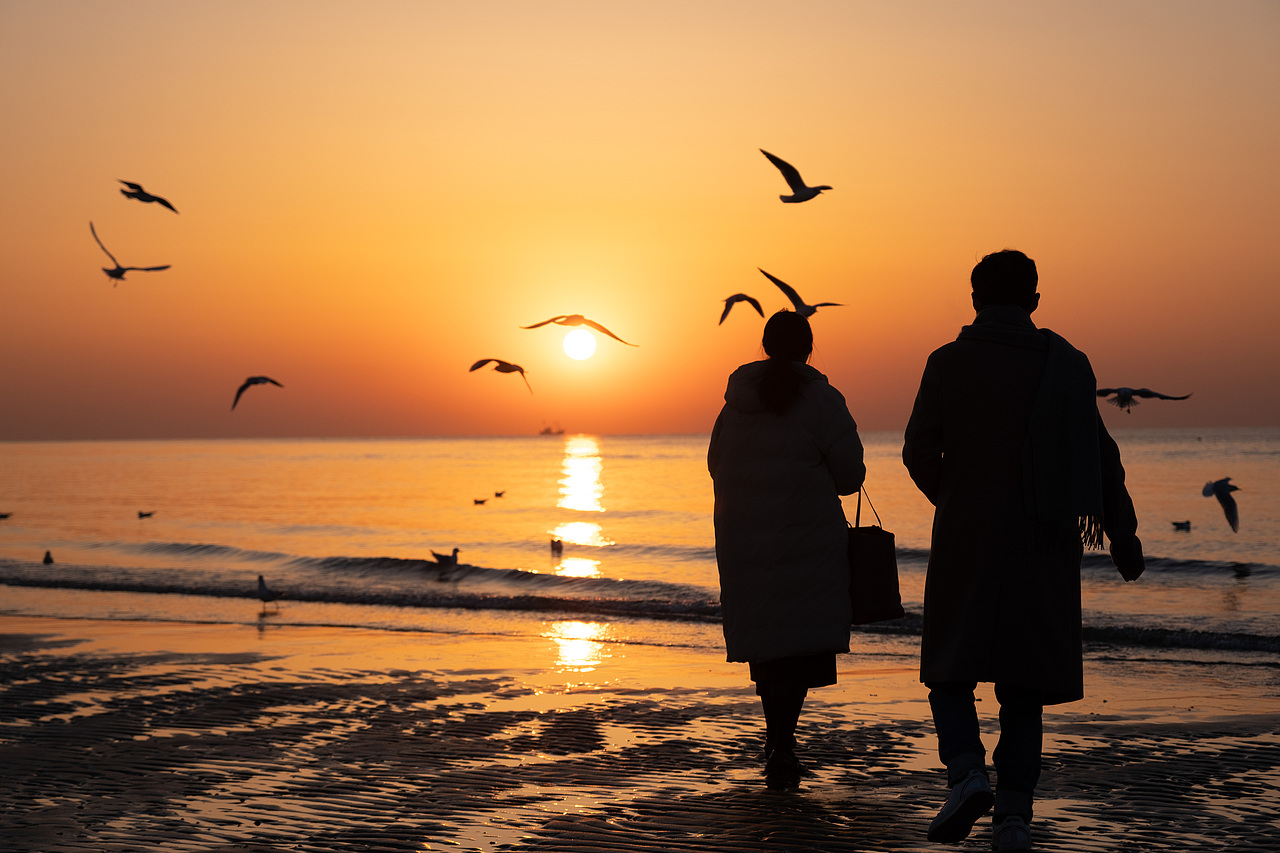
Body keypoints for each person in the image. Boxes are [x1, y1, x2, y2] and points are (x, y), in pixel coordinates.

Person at [902, 250, 1145, 851]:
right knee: (1024, 684)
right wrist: (1122, 532)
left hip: (968, 538)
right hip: (1044, 541)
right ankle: (1012, 816)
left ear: (975, 299)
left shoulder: (947, 363)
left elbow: (916, 451)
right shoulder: (1067, 365)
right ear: (1034, 300)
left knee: (950, 666)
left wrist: (957, 500)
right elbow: (1099, 454)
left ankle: (965, 771)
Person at [708, 310, 866, 790]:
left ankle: (776, 739)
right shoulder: (822, 399)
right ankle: (783, 742)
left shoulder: (734, 405)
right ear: (809, 347)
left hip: (744, 538)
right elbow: (850, 478)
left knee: (767, 639)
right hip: (806, 538)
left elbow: (717, 466)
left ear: (764, 344)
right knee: (797, 643)